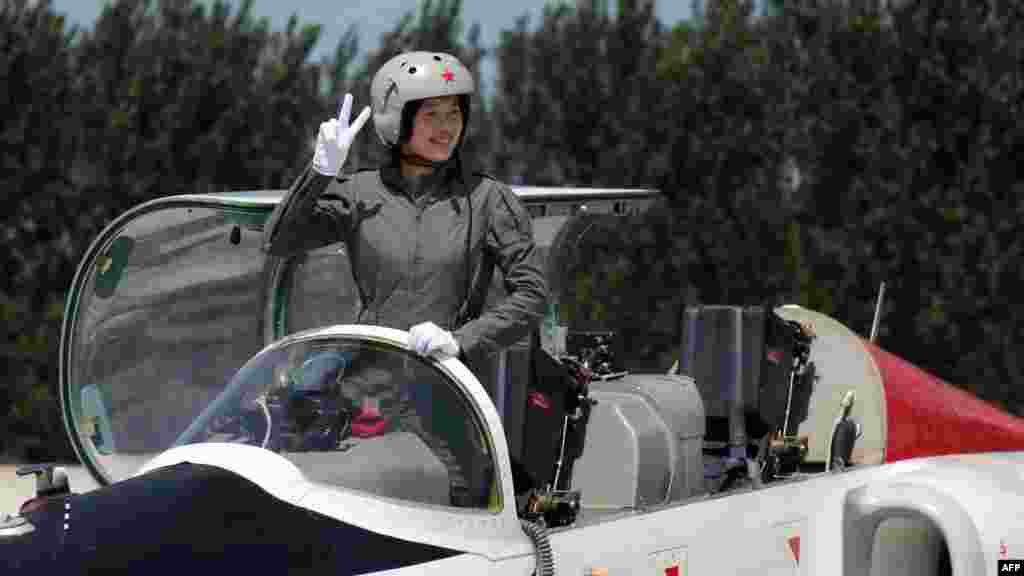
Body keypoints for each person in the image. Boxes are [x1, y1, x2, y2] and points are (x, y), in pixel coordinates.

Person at [261, 51, 548, 503]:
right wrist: (318, 173)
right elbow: (280, 240)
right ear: (396, 121)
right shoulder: (358, 193)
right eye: (431, 114)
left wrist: (463, 339)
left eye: (454, 113)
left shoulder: (490, 199)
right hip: (367, 403)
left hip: (448, 398)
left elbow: (532, 296)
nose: (446, 126)